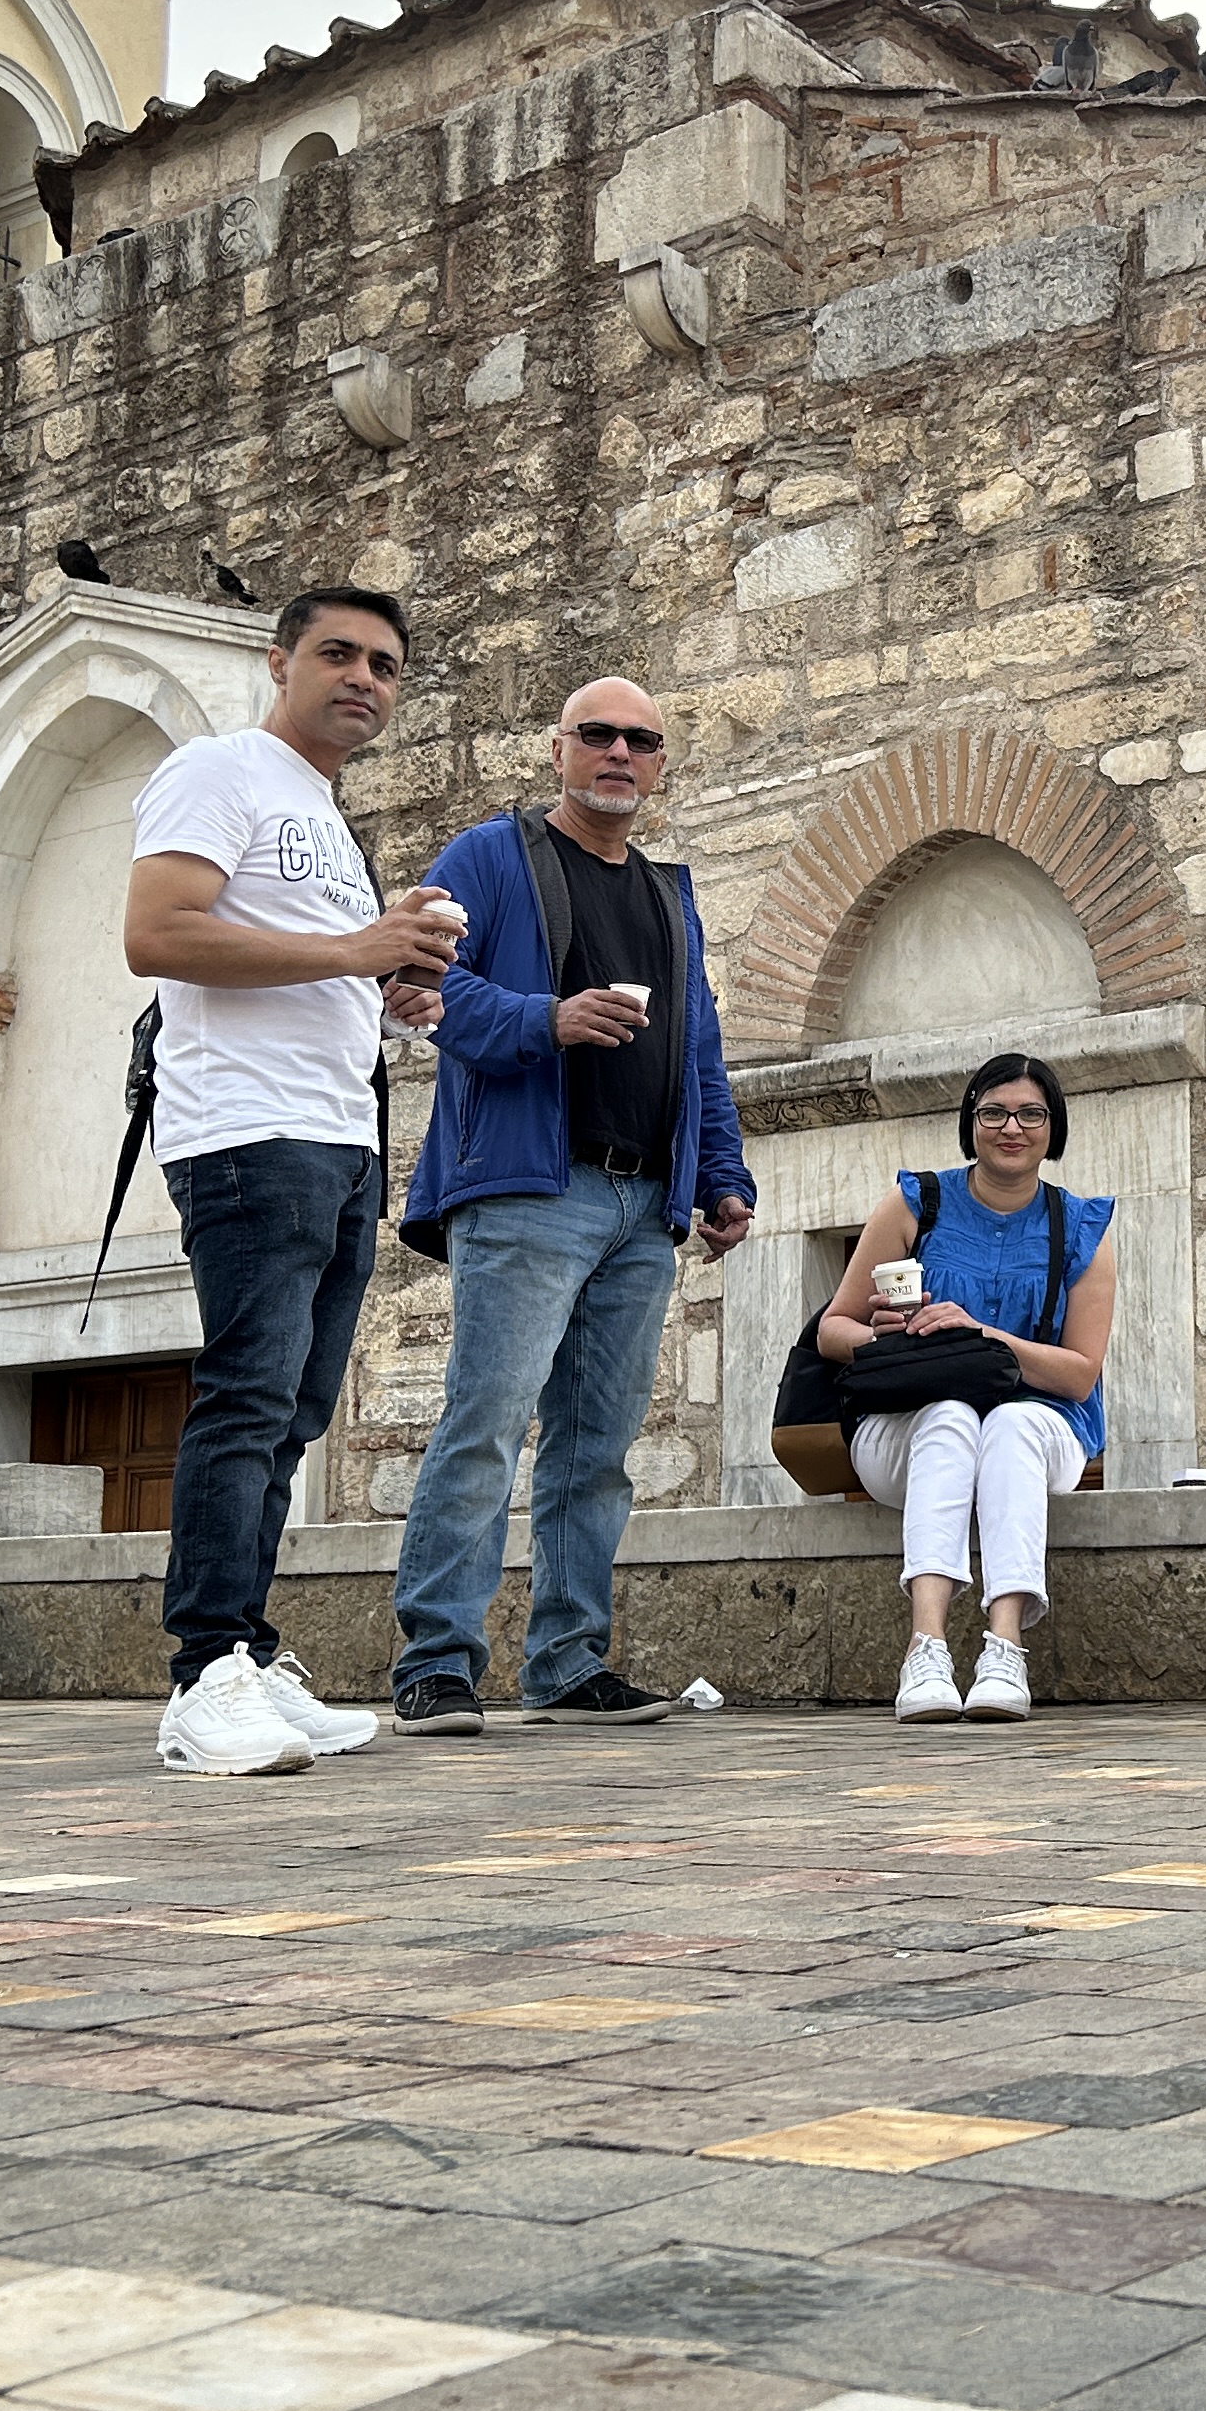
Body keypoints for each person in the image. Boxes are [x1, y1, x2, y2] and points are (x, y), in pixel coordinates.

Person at [123, 585, 458, 1776]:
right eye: (338, 653)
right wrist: (355, 948)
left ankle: (246, 1655)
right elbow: (157, 934)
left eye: (385, 664)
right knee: (248, 1396)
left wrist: (388, 992)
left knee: (296, 1412)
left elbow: (311, 970)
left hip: (340, 1139)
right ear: (280, 662)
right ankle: (202, 1673)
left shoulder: (323, 815)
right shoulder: (219, 771)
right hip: (247, 1135)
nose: (363, 677)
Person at [387, 680, 755, 1734]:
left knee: (597, 1448)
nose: (619, 752)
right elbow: (417, 986)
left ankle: (566, 1662)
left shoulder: (668, 896)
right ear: (558, 750)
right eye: (598, 734)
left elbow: (698, 1049)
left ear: (661, 764)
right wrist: (546, 1019)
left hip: (644, 1205)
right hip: (529, 1192)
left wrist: (721, 1176)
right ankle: (436, 1662)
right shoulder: (487, 857)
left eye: (642, 740)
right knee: (487, 1423)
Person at [812, 1053, 1115, 1722]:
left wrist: (982, 1336)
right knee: (951, 1414)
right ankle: (925, 1649)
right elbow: (832, 1330)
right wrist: (886, 1337)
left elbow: (1079, 1373)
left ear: (1053, 1127)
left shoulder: (1080, 1226)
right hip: (906, 1425)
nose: (1012, 1128)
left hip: (1040, 1428)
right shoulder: (915, 1203)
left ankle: (1005, 1649)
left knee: (1007, 1422)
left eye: (1031, 1114)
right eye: (994, 1112)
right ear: (970, 1121)